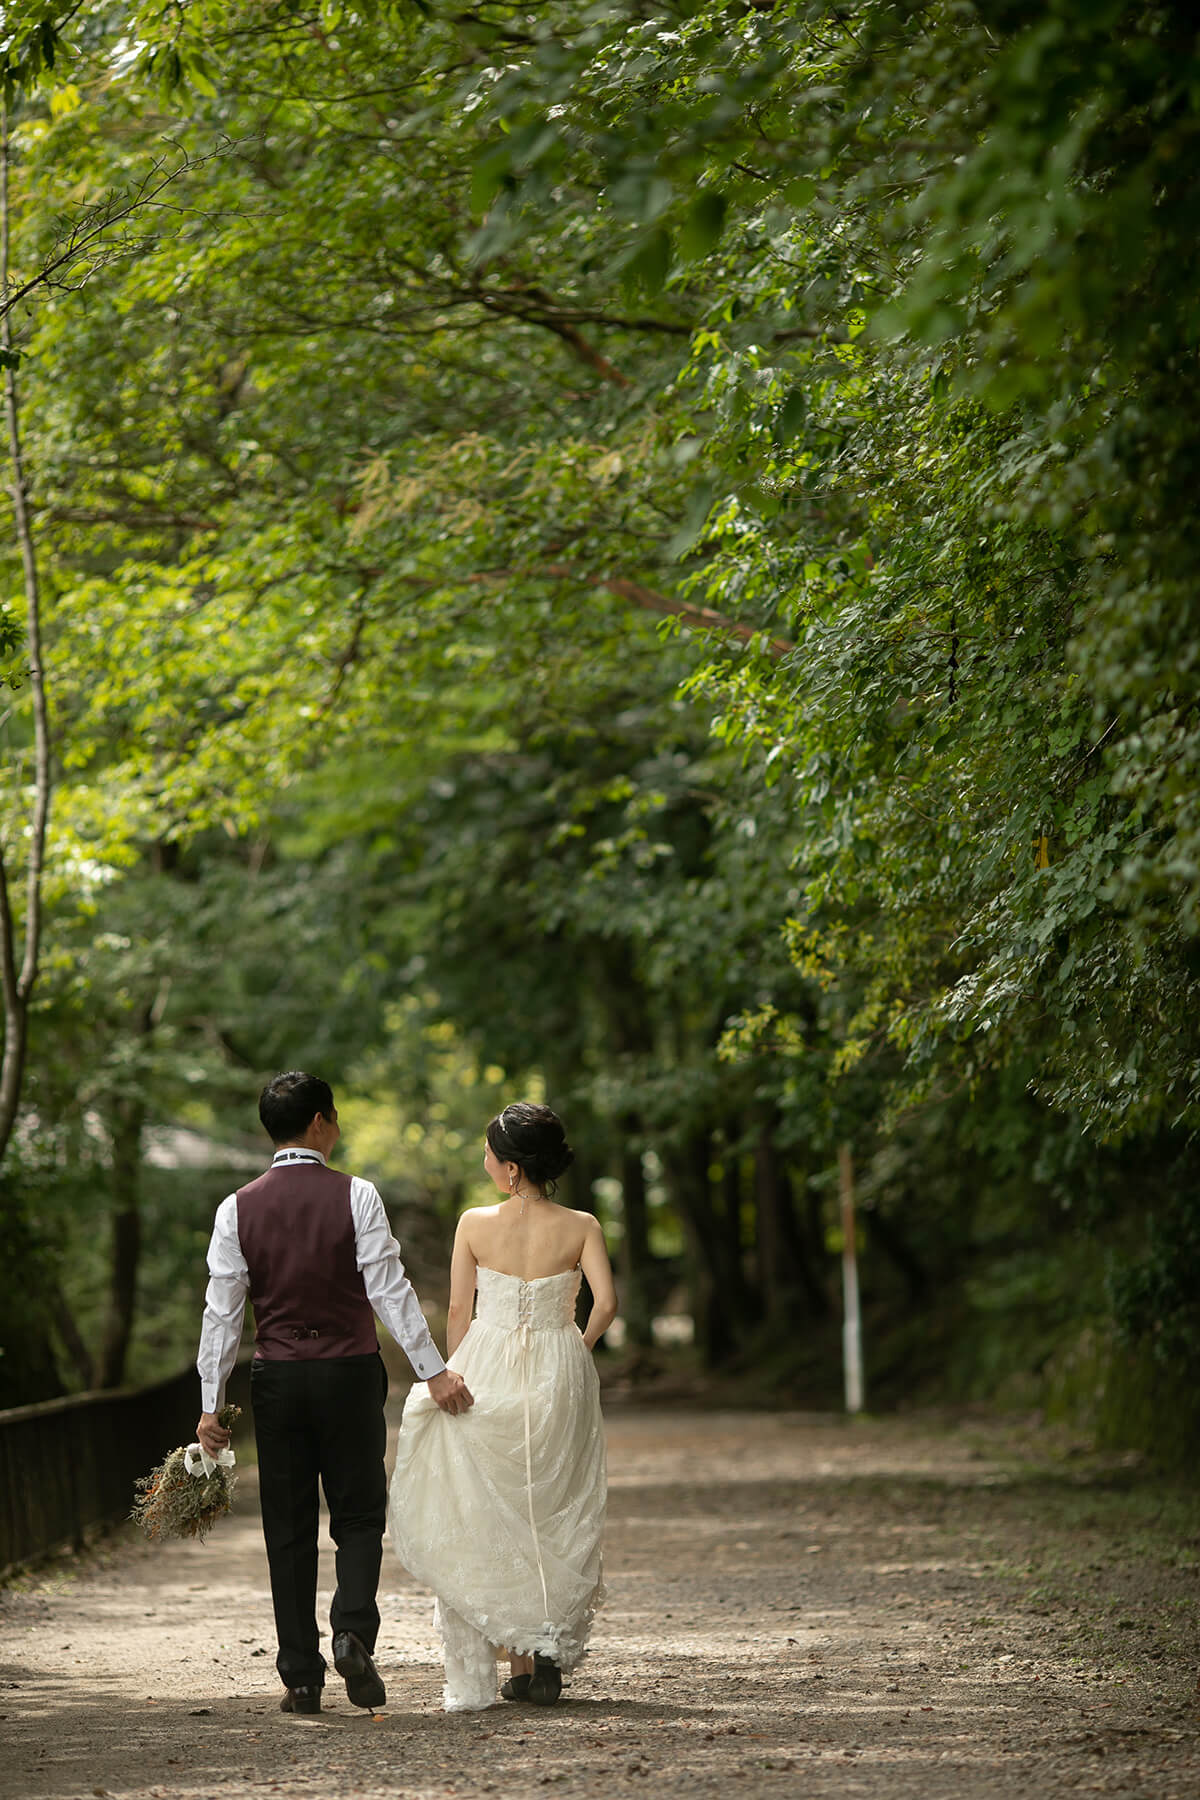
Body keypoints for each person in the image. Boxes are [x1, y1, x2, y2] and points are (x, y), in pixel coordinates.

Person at [195, 1070, 472, 1716]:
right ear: (320, 1123)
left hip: (279, 1379)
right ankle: (351, 1631)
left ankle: (300, 1675)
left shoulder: (236, 1208)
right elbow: (388, 1289)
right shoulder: (358, 1195)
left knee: (287, 1528)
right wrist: (433, 1371)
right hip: (349, 1371)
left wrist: (211, 1402)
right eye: (336, 1117)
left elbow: (221, 1313)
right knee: (357, 1514)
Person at [389, 1101, 617, 1711]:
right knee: (550, 1504)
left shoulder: (473, 1223)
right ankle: (539, 1655)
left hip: (484, 1363)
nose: (485, 1161)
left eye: (491, 1153)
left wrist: (453, 1374)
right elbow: (606, 1304)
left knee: (492, 1508)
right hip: (558, 1367)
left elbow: (459, 1311)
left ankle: (520, 1657)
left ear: (512, 1167)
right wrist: (579, 1347)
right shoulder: (583, 1224)